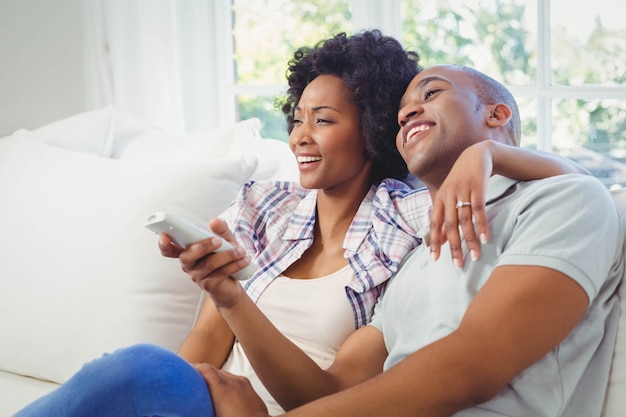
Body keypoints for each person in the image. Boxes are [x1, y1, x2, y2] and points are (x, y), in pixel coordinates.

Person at [13, 33, 588, 417]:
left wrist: (484, 156)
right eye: (297, 119)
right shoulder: (264, 209)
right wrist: (217, 290)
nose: (299, 136)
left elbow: (579, 186)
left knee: (139, 367)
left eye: (324, 119)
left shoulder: (413, 219)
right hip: (202, 400)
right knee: (143, 371)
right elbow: (201, 354)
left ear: (372, 130)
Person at [193, 64, 625, 417]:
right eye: (401, 112)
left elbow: (469, 369)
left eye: (431, 94)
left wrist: (489, 155)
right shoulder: (416, 260)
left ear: (495, 115)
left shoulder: (563, 198)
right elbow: (331, 390)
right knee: (149, 376)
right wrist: (232, 298)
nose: (407, 113)